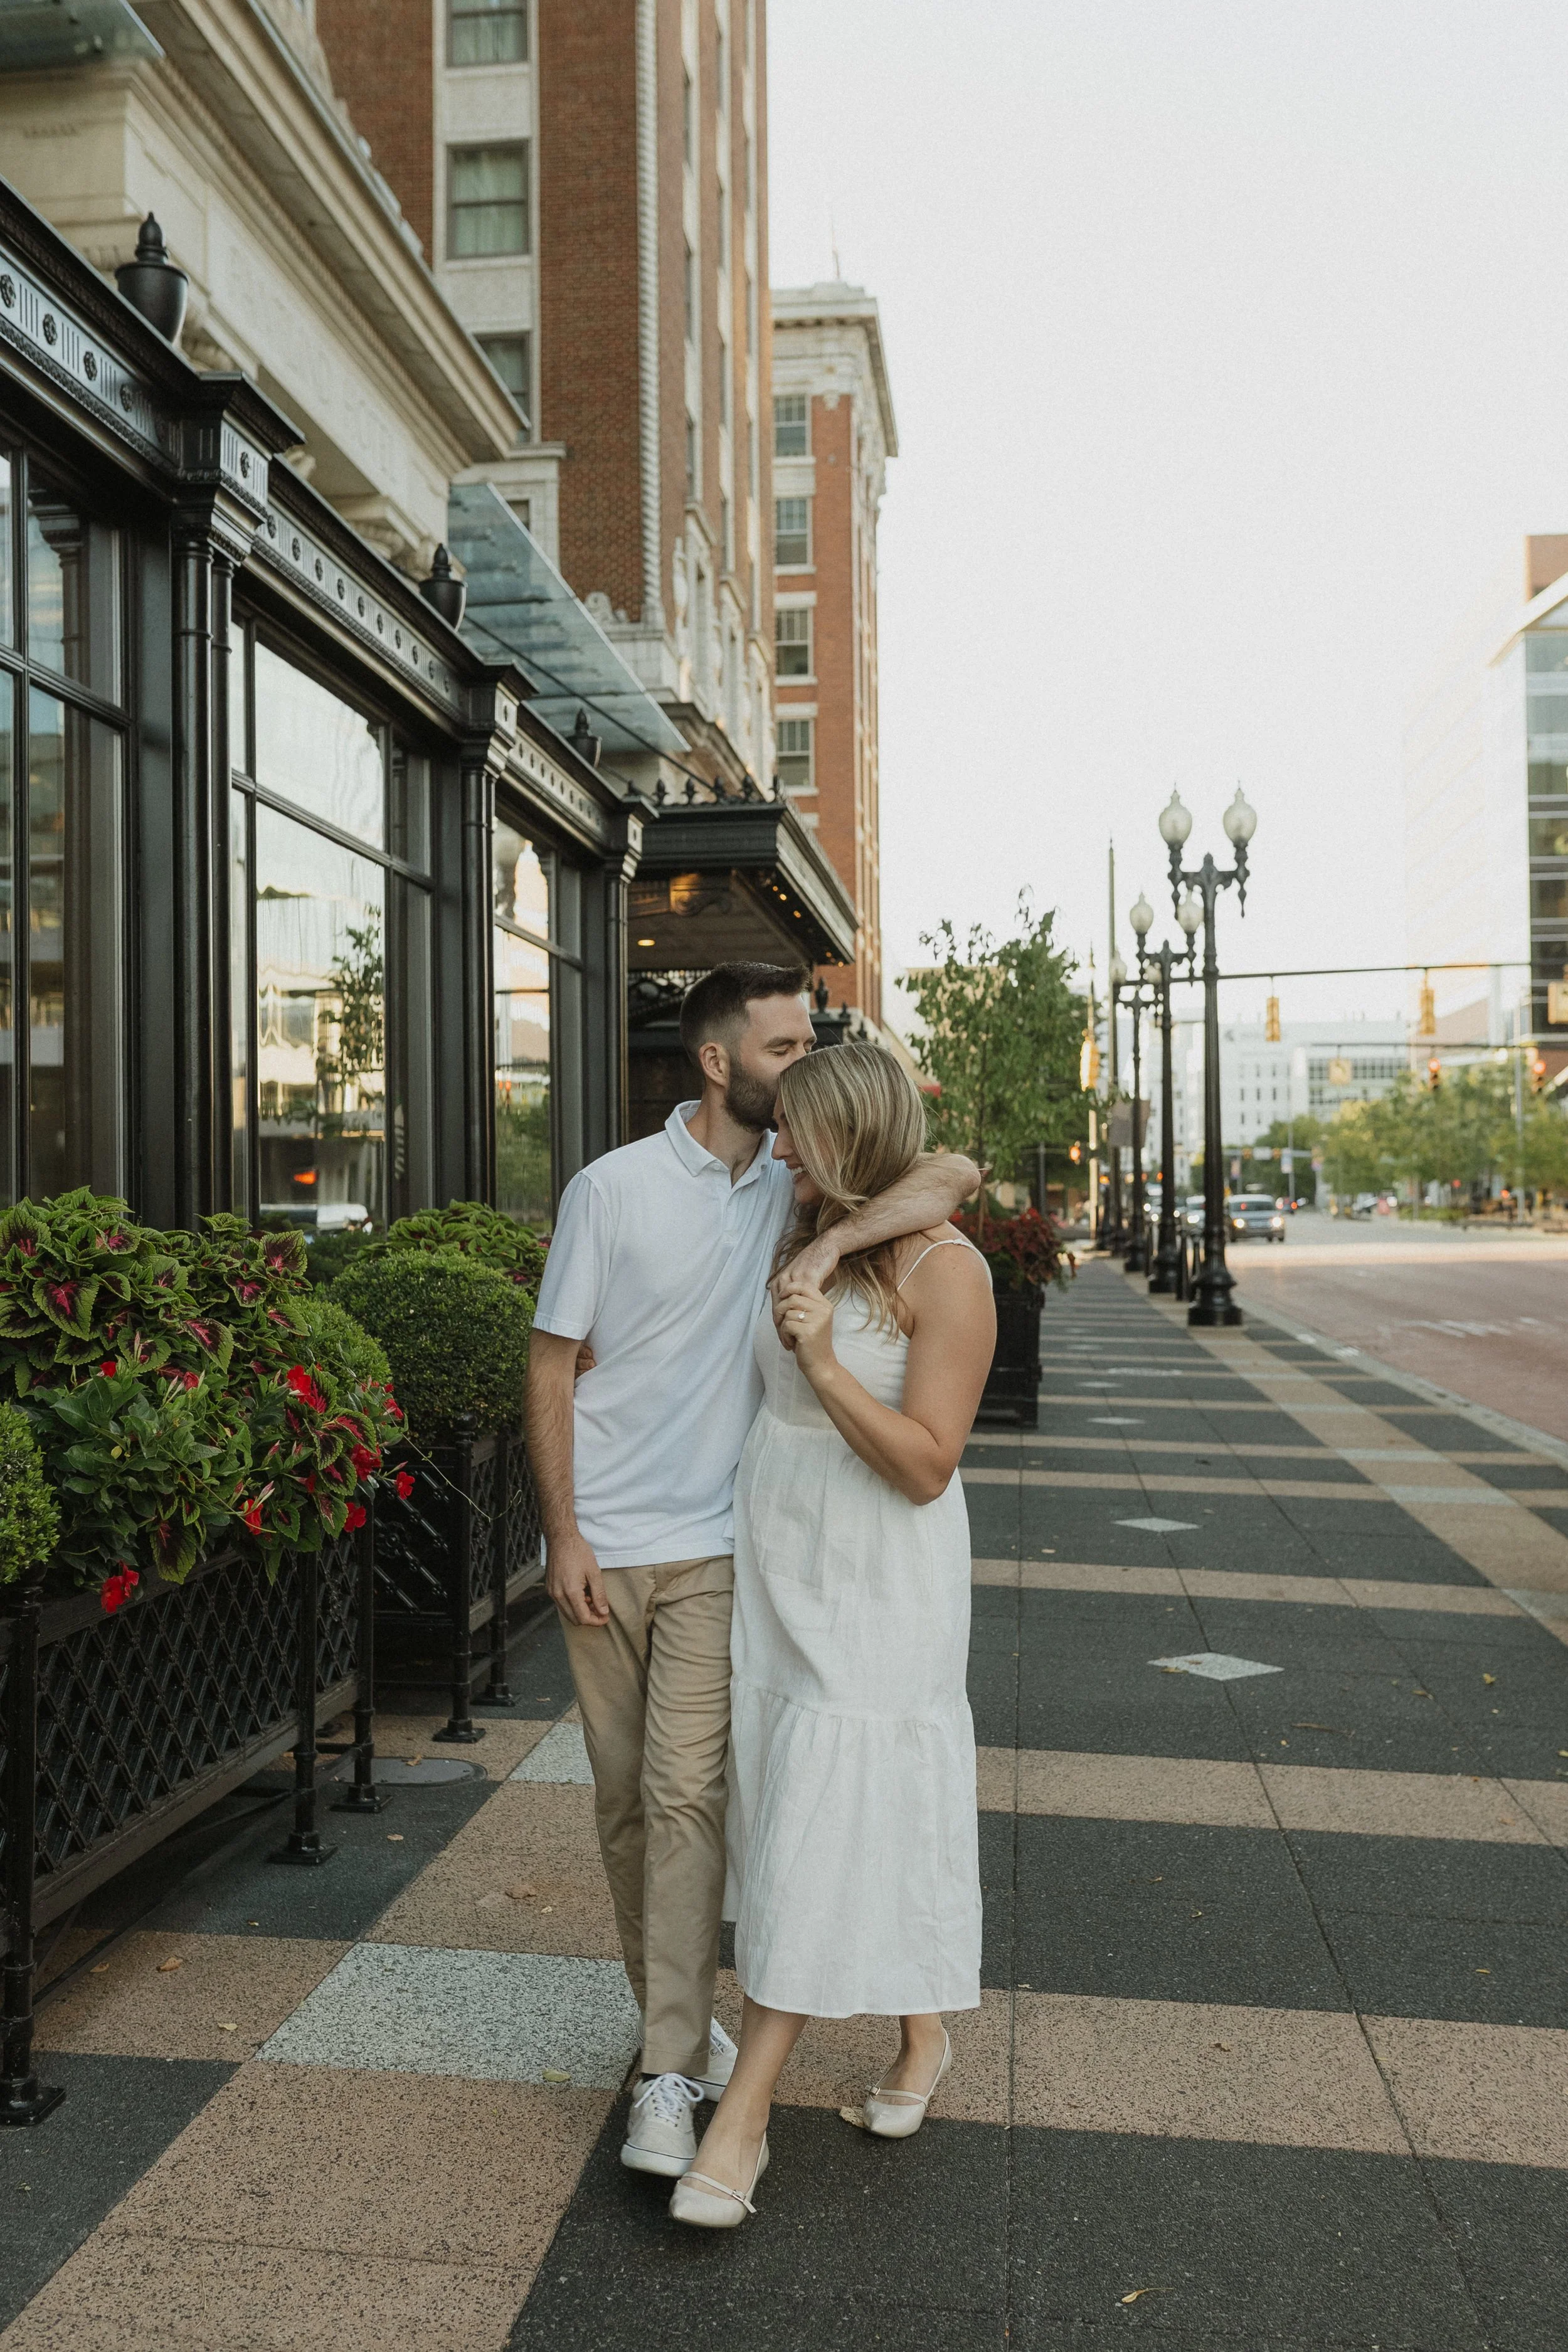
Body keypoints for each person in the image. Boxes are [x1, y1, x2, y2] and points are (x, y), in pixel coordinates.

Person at [526, 966, 978, 2181]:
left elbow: (948, 1174)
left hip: (730, 1548)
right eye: (782, 1044)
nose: (803, 1057)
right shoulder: (610, 1189)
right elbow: (551, 1365)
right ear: (720, 1061)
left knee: (690, 1801)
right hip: (610, 1544)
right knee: (630, 1811)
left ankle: (675, 2074)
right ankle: (691, 2026)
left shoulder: (791, 1187)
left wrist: (833, 1238)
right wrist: (563, 1532)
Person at [669, 1040, 995, 2230]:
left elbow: (925, 1465)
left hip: (880, 1575)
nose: (782, 1145)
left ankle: (742, 2116)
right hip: (782, 1561)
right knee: (819, 1797)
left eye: (804, 1130)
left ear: (849, 1138)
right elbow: (937, 1163)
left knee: (823, 1803)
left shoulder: (948, 1273)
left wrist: (819, 1342)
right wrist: (827, 1238)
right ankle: (923, 2038)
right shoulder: (796, 1214)